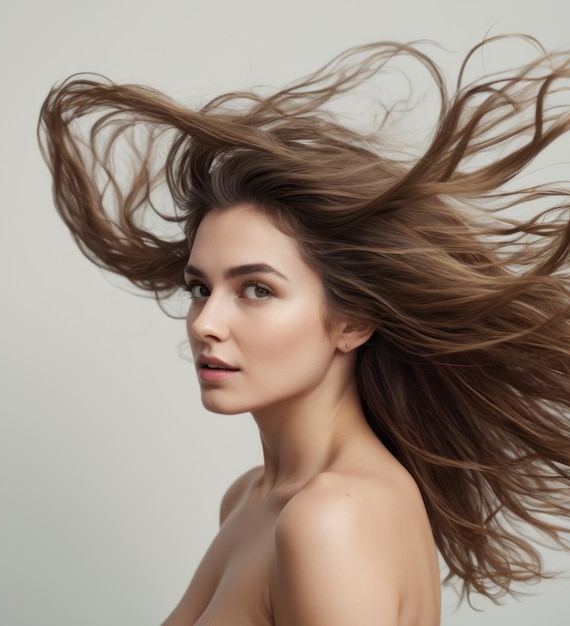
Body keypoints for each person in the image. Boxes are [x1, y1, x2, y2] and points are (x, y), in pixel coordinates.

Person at [38, 35, 570, 625]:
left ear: (353, 320)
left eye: (256, 290)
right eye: (200, 288)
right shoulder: (249, 499)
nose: (206, 322)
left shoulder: (331, 518)